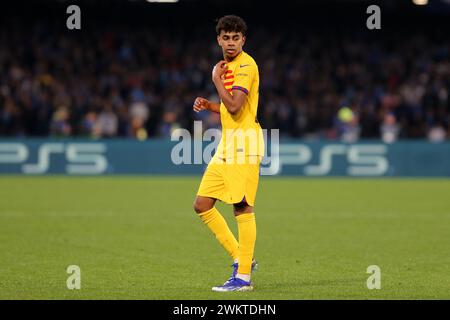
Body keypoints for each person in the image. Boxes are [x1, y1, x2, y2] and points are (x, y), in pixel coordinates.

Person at [192, 15, 264, 292]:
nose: (231, 42)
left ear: (243, 40)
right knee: (202, 204)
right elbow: (229, 108)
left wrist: (215, 79)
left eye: (236, 38)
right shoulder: (230, 66)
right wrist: (210, 105)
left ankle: (243, 278)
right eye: (226, 37)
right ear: (219, 39)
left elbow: (235, 106)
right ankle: (241, 256)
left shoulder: (246, 65)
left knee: (242, 206)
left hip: (245, 143)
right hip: (228, 144)